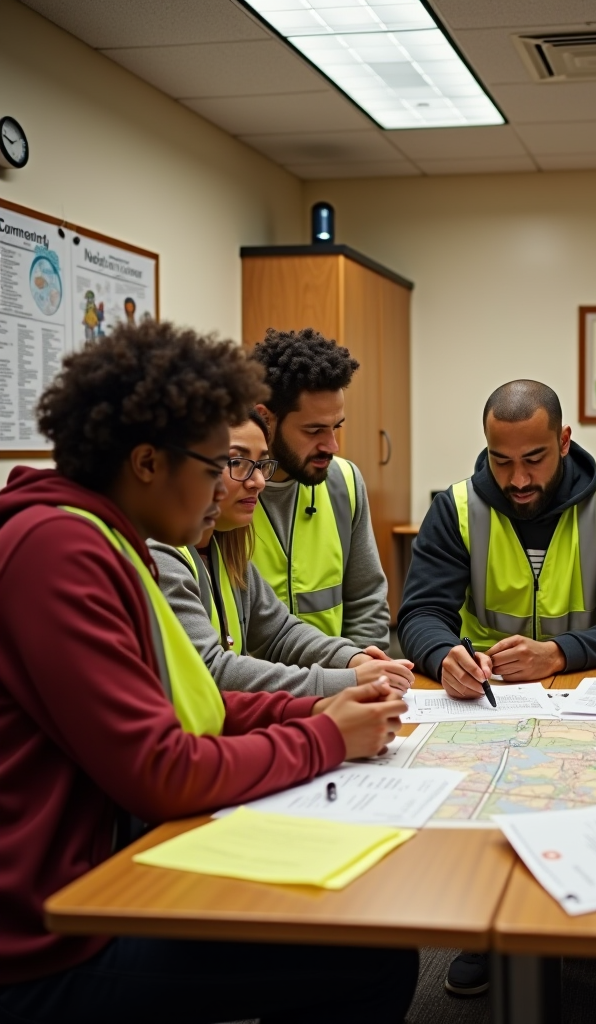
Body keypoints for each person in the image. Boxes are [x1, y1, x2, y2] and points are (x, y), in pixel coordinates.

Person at [0, 321, 416, 1023]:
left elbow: (189, 701)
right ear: (145, 463)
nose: (226, 491)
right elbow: (161, 771)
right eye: (214, 467)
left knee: (348, 918)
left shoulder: (105, 539)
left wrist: (313, 712)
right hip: (51, 934)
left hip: (101, 878)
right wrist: (326, 739)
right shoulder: (58, 552)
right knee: (367, 956)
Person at [398, 379, 596, 998]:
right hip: (487, 700)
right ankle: (487, 929)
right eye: (501, 460)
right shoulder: (456, 506)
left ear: (564, 441)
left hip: (587, 694)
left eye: (534, 459)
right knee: (484, 805)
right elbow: (418, 614)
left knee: (595, 803)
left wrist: (561, 652)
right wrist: (444, 656)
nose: (517, 479)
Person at [150, 410, 415, 697]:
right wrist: (348, 680)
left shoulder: (224, 547)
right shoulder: (161, 552)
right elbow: (212, 670)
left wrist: (353, 658)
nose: (259, 481)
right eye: (237, 462)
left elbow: (279, 632)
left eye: (262, 464)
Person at [250, 327, 390, 647]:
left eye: (336, 427)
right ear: (265, 419)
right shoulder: (224, 492)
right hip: (259, 694)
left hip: (340, 686)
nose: (332, 446)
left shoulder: (344, 482)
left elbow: (367, 601)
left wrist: (362, 678)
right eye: (314, 430)